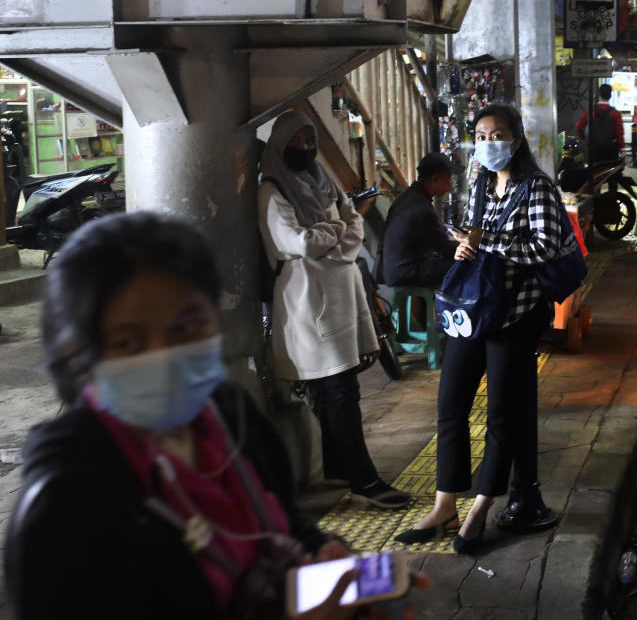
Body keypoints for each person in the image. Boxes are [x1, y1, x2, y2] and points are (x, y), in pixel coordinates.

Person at [3, 212, 427, 619]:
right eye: (131, 341)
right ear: (76, 355)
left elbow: (279, 523)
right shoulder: (63, 512)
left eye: (186, 327)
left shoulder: (226, 413)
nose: (165, 356)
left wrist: (326, 558)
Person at [394, 103, 565, 553]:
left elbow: (544, 248)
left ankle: (480, 509)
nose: (491, 143)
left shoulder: (537, 188)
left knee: (500, 417)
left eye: (499, 134)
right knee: (451, 406)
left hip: (514, 317)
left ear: (517, 138)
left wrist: (487, 241)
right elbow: (472, 238)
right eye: (483, 136)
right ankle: (444, 504)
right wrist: (462, 250)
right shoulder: (479, 185)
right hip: (471, 313)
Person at [258, 110, 411, 509]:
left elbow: (353, 227)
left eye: (310, 142)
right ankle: (365, 480)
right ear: (280, 145)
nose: (306, 150)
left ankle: (340, 472)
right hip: (308, 307)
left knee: (335, 392)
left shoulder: (322, 180)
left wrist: (333, 236)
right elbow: (300, 243)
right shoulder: (271, 190)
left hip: (340, 300)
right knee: (340, 390)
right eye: (298, 143)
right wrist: (338, 232)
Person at [375, 152, 463, 288]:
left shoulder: (409, 197)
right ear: (436, 179)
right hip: (404, 272)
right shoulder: (421, 209)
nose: (450, 184)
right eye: (448, 178)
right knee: (463, 263)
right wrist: (470, 246)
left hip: (395, 269)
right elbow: (446, 250)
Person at [576, 83, 625, 163]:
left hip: (594, 148)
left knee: (595, 172)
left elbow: (579, 126)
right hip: (611, 150)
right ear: (610, 96)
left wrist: (585, 140)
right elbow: (619, 132)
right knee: (610, 173)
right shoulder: (615, 113)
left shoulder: (591, 111)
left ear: (599, 95)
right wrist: (622, 149)